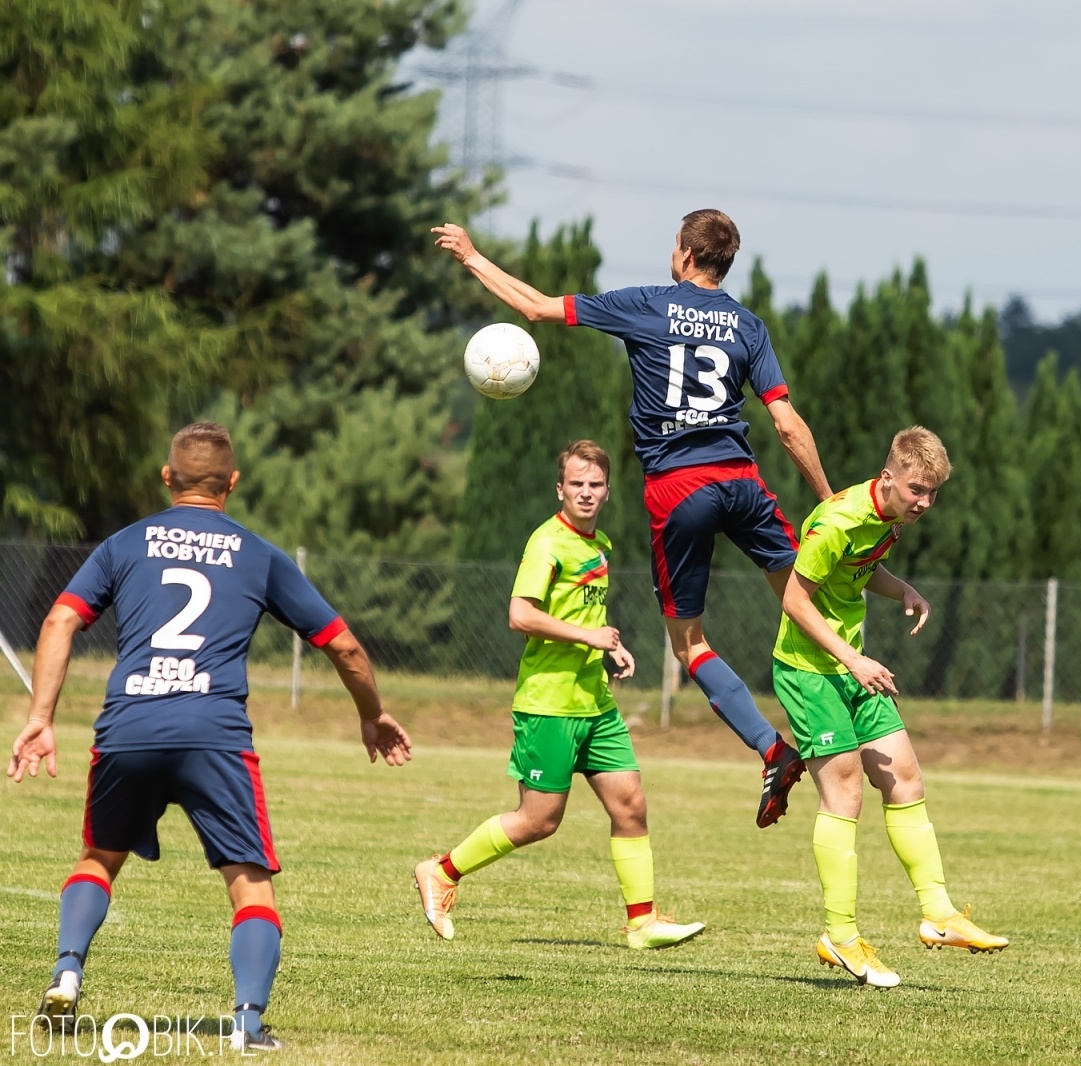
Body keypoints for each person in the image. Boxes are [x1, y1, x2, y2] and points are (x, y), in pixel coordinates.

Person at [7, 422, 412, 1051]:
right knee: (250, 881)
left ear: (168, 479)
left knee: (99, 858)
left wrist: (41, 715)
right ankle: (247, 1024)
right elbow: (346, 646)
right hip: (213, 733)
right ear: (234, 483)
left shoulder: (125, 543)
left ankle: (66, 972)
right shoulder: (258, 553)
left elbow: (62, 617)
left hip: (129, 725)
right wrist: (372, 713)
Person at [433, 209, 832, 828]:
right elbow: (785, 421)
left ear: (683, 253)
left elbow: (537, 308)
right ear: (725, 262)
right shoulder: (748, 326)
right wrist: (826, 495)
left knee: (689, 642)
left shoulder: (647, 303)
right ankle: (847, 708)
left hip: (680, 490)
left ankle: (770, 748)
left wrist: (471, 257)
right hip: (742, 480)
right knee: (805, 607)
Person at [413, 441, 703, 950]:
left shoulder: (597, 545)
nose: (586, 493)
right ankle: (441, 871)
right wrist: (589, 636)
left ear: (607, 491)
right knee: (538, 820)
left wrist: (609, 648)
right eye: (576, 484)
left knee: (631, 804)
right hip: (549, 704)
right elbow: (520, 615)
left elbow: (581, 622)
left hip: (593, 701)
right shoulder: (547, 542)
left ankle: (642, 922)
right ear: (560, 489)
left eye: (594, 485)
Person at [772, 426, 1007, 989]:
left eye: (932, 494)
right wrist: (854, 660)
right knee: (845, 789)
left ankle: (940, 916)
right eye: (917, 490)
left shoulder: (886, 520)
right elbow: (794, 598)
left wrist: (901, 588)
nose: (924, 503)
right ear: (888, 479)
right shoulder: (837, 521)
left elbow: (858, 571)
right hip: (810, 670)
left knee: (905, 778)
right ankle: (841, 936)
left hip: (851, 667)